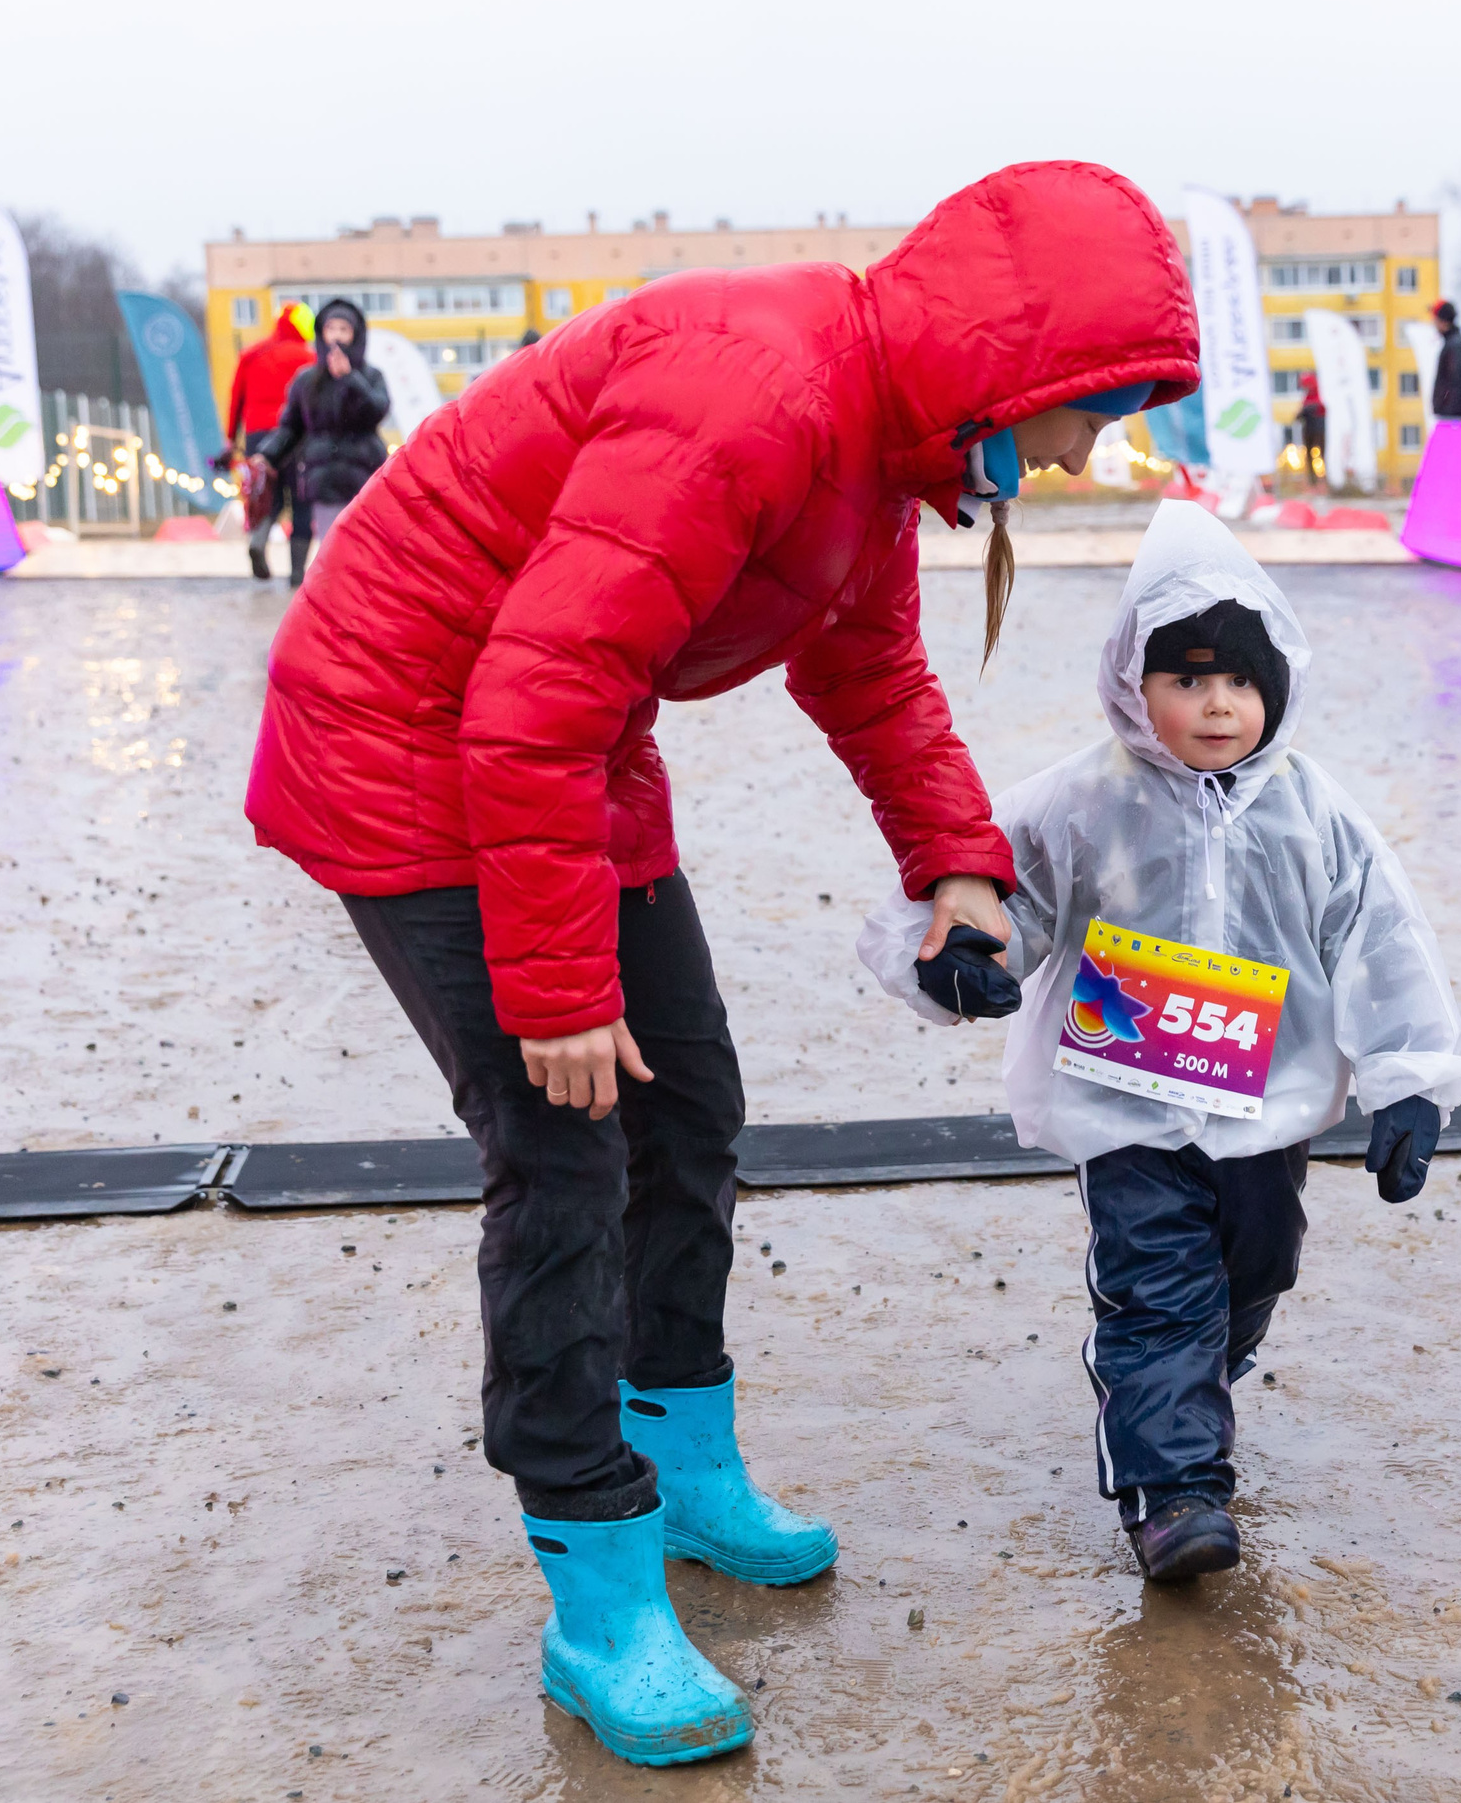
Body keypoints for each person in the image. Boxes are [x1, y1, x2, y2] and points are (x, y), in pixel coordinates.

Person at [242, 161, 1197, 1768]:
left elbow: (872, 675)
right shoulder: (752, 399)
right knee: (564, 1148)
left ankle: (684, 1462)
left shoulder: (876, 446)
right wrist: (559, 995)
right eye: (1085, 415)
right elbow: (530, 697)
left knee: (688, 1109)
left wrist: (961, 870)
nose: (1078, 456)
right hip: (408, 734)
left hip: (564, 741)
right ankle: (597, 1589)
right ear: (1010, 365)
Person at [860, 500, 1461, 1583]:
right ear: (1130, 682)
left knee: (1257, 1263)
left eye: (1239, 679)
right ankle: (1174, 1491)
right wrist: (955, 959)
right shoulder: (1080, 799)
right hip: (1127, 1108)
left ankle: (1197, 1377)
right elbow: (995, 891)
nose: (1218, 703)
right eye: (1187, 678)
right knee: (1155, 1290)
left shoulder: (1313, 809)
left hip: (1262, 1110)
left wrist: (1409, 1081)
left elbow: (1379, 937)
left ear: (1276, 687)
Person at [257, 298, 390, 586]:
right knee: (334, 546)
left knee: (366, 545)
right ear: (321, 334)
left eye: (344, 329)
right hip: (324, 475)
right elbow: (291, 427)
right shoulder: (307, 380)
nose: (337, 336)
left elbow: (377, 411)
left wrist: (350, 379)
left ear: (356, 334)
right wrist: (267, 455)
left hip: (364, 473)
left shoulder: (371, 376)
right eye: (331, 329)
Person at [223, 301, 314, 579]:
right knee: (301, 501)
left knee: (265, 497)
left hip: (257, 437)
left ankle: (258, 542)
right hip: (298, 437)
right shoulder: (309, 358)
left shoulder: (252, 355)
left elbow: (236, 398)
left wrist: (231, 438)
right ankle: (297, 573)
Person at [1429, 299, 1461, 421]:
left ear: (1443, 321)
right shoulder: (1453, 343)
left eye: (1435, 319)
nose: (1433, 323)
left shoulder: (1455, 346)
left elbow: (1456, 382)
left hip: (1453, 416)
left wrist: (1448, 411)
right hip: (1452, 414)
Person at [1294, 370, 1326, 490]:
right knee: (1310, 456)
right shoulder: (1308, 398)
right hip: (1309, 430)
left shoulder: (1319, 396)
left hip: (1319, 431)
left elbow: (1318, 408)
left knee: (1322, 455)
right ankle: (1313, 480)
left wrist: (1305, 411)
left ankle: (1323, 479)